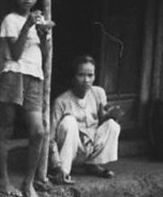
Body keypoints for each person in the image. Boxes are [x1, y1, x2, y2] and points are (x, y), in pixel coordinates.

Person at [0, 0, 54, 197]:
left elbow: (46, 56)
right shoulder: (11, 20)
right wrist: (28, 25)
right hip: (14, 74)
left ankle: (28, 183)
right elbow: (16, 54)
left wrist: (43, 33)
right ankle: (2, 180)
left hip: (35, 78)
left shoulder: (38, 21)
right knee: (6, 128)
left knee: (38, 131)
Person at [49, 55, 121, 183]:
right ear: (73, 77)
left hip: (89, 146)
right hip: (70, 150)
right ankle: (63, 172)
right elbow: (50, 138)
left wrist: (111, 115)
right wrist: (56, 165)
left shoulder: (98, 93)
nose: (86, 80)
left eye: (90, 75)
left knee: (112, 125)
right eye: (81, 75)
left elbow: (101, 120)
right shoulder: (61, 101)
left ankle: (91, 164)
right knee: (69, 121)